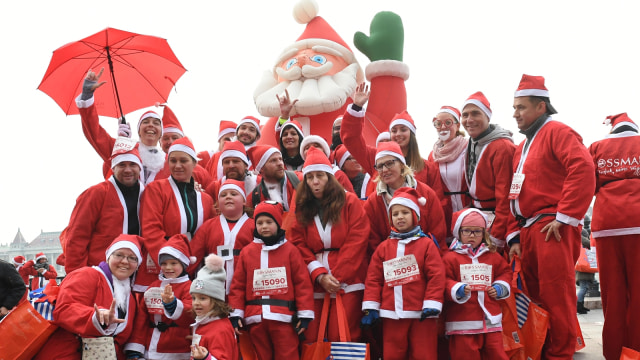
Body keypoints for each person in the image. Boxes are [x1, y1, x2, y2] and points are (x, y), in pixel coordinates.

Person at [508, 74, 595, 360]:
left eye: (521, 107)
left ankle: (560, 355)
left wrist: (566, 216)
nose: (515, 113)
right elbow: (513, 192)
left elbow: (582, 169)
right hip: (529, 230)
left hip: (551, 227)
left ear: (541, 107)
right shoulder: (521, 148)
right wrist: (514, 235)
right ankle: (544, 352)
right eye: (514, 107)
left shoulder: (558, 132)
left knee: (557, 297)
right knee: (535, 298)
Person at [254, 3, 408, 148]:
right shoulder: (274, 122)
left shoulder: (353, 112)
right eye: (291, 62)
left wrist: (387, 68)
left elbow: (387, 121)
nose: (302, 62)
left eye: (318, 59)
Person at [289, 147, 370, 343]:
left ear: (329, 177)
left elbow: (357, 240)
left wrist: (337, 276)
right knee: (314, 337)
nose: (315, 182)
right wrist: (319, 274)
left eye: (320, 176)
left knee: (342, 335)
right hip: (315, 280)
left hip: (347, 280)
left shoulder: (349, 201)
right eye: (309, 178)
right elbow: (297, 242)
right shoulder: (302, 207)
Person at [361, 187, 445, 360]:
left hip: (422, 313)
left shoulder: (426, 244)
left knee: (424, 353)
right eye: (395, 213)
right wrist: (371, 306)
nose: (399, 217)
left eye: (405, 212)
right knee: (393, 353)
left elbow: (436, 275)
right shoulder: (384, 247)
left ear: (415, 215)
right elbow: (374, 278)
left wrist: (432, 302)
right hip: (392, 313)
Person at [229, 201, 315, 359]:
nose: (264, 226)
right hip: (256, 318)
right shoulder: (247, 252)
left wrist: (304, 314)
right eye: (260, 223)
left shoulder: (291, 251)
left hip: (284, 319)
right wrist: (236, 314)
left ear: (278, 223)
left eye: (269, 222)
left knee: (288, 355)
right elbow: (238, 286)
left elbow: (302, 284)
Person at [35, 235, 143, 359]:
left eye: (132, 258)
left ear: (137, 264)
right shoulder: (87, 274)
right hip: (68, 353)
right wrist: (96, 317)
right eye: (119, 255)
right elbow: (64, 309)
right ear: (108, 257)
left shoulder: (130, 296)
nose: (125, 261)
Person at [588, 112, 640, 358]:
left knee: (612, 293)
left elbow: (588, 184)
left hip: (607, 224)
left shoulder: (597, 147)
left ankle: (614, 351)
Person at [341, 84, 446, 204]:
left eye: (403, 129)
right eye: (394, 130)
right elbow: (351, 140)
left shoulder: (428, 168)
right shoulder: (375, 158)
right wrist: (357, 107)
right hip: (383, 220)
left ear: (412, 134)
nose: (398, 134)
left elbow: (438, 203)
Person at [137, 137, 215, 291]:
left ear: (194, 163)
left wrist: (187, 265)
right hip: (159, 268)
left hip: (191, 270)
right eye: (173, 161)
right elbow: (151, 230)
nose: (177, 165)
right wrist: (171, 264)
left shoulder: (205, 199)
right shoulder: (156, 190)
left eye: (183, 161)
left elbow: (205, 237)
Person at [63, 140, 144, 274]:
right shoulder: (96, 193)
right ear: (113, 168)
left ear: (140, 167)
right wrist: (77, 276)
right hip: (100, 271)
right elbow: (76, 238)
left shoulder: (146, 193)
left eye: (133, 164)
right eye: (122, 165)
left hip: (136, 273)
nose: (128, 170)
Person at [442, 209, 511, 360]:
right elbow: (443, 281)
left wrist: (500, 287)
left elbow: (505, 272)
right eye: (467, 231)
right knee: (465, 355)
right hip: (462, 320)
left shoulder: (491, 255)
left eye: (477, 231)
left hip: (490, 320)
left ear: (484, 233)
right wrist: (456, 289)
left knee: (497, 354)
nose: (472, 235)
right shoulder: (450, 258)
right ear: (458, 232)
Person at [77, 68, 165, 185]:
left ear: (161, 133)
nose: (150, 125)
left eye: (156, 123)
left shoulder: (171, 160)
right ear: (138, 131)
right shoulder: (123, 148)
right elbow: (94, 133)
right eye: (145, 122)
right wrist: (87, 94)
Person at [364, 141, 448, 254]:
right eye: (379, 166)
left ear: (402, 164)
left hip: (425, 257)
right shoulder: (374, 202)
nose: (384, 170)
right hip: (391, 262)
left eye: (389, 163)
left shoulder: (426, 194)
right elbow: (373, 241)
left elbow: (438, 233)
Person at [460, 91, 517, 251]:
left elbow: (505, 198)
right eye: (465, 115)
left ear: (487, 117)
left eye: (475, 114)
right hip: (479, 219)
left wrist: (497, 237)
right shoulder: (472, 143)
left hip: (497, 222)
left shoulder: (502, 147)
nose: (469, 120)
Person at [126, 234, 195, 359]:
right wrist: (135, 348)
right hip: (151, 347)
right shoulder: (153, 286)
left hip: (179, 348)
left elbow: (191, 315)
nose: (168, 268)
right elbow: (142, 320)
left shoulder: (189, 287)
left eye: (173, 263)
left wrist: (173, 304)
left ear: (183, 264)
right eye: (164, 263)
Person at [191, 179, 255, 296]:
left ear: (244, 201)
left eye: (234, 194)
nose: (228, 197)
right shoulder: (208, 226)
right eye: (223, 195)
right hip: (213, 290)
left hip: (244, 287)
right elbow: (194, 255)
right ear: (218, 203)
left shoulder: (253, 226)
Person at [428, 106, 470, 241]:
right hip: (445, 213)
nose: (442, 127)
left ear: (457, 126)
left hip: (468, 208)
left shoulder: (468, 148)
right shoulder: (433, 155)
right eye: (438, 123)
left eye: (448, 122)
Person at [189, 254, 239, 360]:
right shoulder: (205, 323)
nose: (196, 303)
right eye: (194, 298)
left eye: (202, 298)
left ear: (216, 301)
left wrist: (206, 358)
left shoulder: (220, 330)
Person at [247, 145, 300, 211]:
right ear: (261, 168)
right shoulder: (255, 197)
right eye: (273, 161)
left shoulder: (300, 180)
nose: (280, 163)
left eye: (280, 159)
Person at [205, 140, 258, 204]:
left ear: (246, 165)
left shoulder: (258, 183)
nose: (231, 166)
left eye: (235, 161)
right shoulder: (214, 188)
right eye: (226, 162)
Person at [575, 225, 594, 315]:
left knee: (585, 287)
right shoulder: (582, 240)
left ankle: (581, 305)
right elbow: (592, 244)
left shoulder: (580, 241)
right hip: (583, 270)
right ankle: (578, 305)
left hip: (583, 269)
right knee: (583, 287)